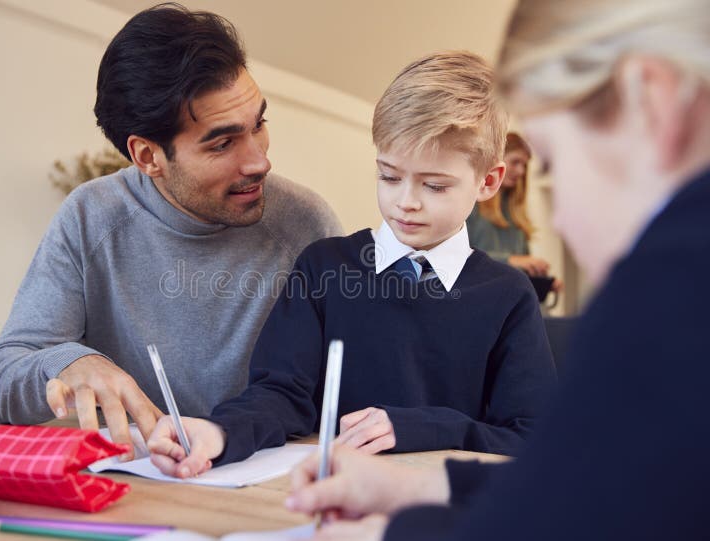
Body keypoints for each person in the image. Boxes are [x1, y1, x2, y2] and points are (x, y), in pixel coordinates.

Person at [285, 0, 710, 539]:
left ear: (652, 101)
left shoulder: (674, 297)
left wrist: (392, 534)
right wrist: (420, 489)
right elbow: (583, 480)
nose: (561, 218)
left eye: (555, 162)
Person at [147, 51, 557, 478]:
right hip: (330, 498)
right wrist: (220, 432)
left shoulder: (507, 296)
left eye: (434, 185)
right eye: (389, 176)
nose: (406, 202)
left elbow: (532, 435)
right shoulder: (324, 267)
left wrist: (420, 427)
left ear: (487, 182)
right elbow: (281, 395)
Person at [0, 3, 341, 458]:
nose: (259, 161)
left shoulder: (305, 226)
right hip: (141, 484)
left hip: (267, 483)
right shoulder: (91, 217)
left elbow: (348, 392)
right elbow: (0, 375)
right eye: (223, 142)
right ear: (148, 157)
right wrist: (70, 361)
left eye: (259, 124)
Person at [467, 132, 552, 278]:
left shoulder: (516, 212)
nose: (521, 171)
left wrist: (542, 279)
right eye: (515, 162)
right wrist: (510, 260)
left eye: (524, 165)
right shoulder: (471, 203)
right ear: (496, 162)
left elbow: (524, 264)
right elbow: (462, 258)